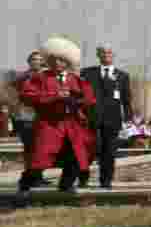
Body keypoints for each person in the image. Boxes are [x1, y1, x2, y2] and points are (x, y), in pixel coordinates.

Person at [17, 37, 96, 199]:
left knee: (77, 155)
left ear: (67, 63)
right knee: (40, 158)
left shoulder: (76, 80)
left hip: (71, 124)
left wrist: (74, 100)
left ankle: (66, 186)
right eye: (54, 60)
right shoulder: (40, 78)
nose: (58, 63)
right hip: (49, 124)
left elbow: (89, 99)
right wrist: (54, 96)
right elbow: (26, 96)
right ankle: (25, 185)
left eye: (61, 60)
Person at [80, 46, 133, 189]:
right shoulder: (87, 73)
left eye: (109, 52)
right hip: (92, 119)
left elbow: (126, 100)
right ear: (98, 55)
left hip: (112, 121)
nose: (106, 55)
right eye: (103, 52)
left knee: (109, 153)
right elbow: (80, 95)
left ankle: (106, 181)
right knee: (89, 150)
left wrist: (128, 119)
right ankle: (82, 179)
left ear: (113, 55)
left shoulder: (122, 76)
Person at [13, 50, 47, 190]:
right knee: (29, 149)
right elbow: (13, 95)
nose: (36, 62)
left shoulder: (47, 76)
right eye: (33, 59)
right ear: (29, 62)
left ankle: (38, 176)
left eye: (39, 59)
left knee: (41, 149)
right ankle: (28, 178)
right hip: (26, 118)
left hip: (43, 118)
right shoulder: (22, 77)